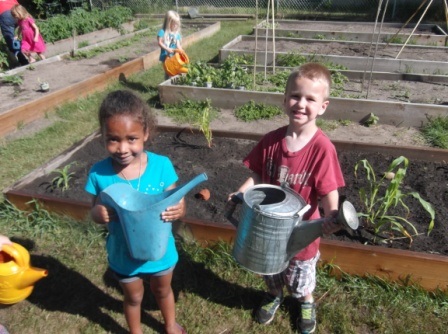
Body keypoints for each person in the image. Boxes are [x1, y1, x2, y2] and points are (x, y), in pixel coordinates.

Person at [228, 63, 344, 334]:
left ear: (323, 106)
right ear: (284, 99)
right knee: (270, 272)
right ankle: (274, 295)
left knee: (300, 279)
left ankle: (306, 302)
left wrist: (332, 216)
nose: (301, 104)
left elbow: (328, 192)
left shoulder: (322, 149)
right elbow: (257, 176)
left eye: (310, 99)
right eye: (295, 96)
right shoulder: (271, 141)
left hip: (301, 235)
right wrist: (242, 193)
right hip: (267, 232)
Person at [84, 90, 187, 334]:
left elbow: (174, 200)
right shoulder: (99, 174)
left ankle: (170, 324)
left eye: (131, 138)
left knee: (163, 290)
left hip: (160, 251)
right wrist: (98, 213)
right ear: (103, 136)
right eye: (113, 139)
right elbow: (94, 209)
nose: (122, 148)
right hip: (124, 255)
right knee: (133, 297)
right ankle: (135, 331)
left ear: (145, 134)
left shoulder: (161, 166)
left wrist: (180, 208)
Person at [0, 0, 28, 66]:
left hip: (5, 15)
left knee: (10, 39)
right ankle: (30, 51)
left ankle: (23, 60)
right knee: (26, 32)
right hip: (17, 11)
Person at [157, 10, 183, 77]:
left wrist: (181, 51)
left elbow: (178, 45)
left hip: (174, 56)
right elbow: (159, 43)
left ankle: (173, 84)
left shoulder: (176, 34)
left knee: (175, 70)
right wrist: (167, 49)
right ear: (168, 23)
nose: (176, 25)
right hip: (166, 56)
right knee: (168, 71)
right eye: (174, 23)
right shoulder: (162, 32)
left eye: (177, 23)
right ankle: (167, 85)